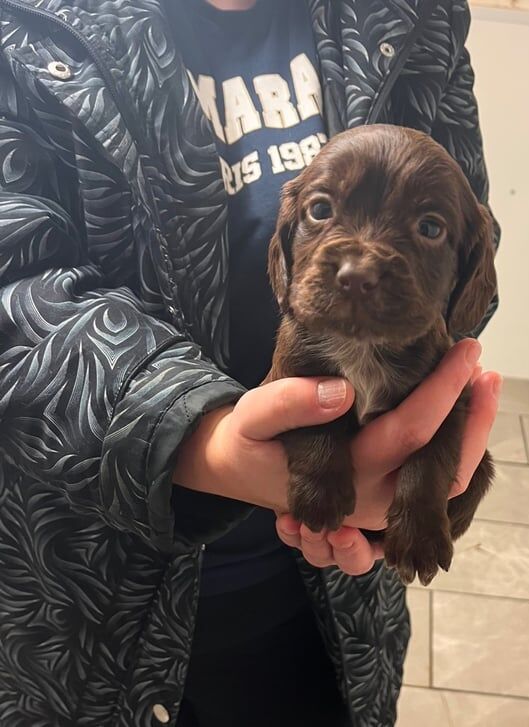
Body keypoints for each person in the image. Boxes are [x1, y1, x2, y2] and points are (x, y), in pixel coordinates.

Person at [0, 0, 500, 725]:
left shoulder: (408, 11)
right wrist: (202, 439)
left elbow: (469, 243)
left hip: (327, 595)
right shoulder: (25, 23)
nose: (360, 261)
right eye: (326, 214)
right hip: (82, 590)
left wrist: (418, 468)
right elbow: (14, 286)